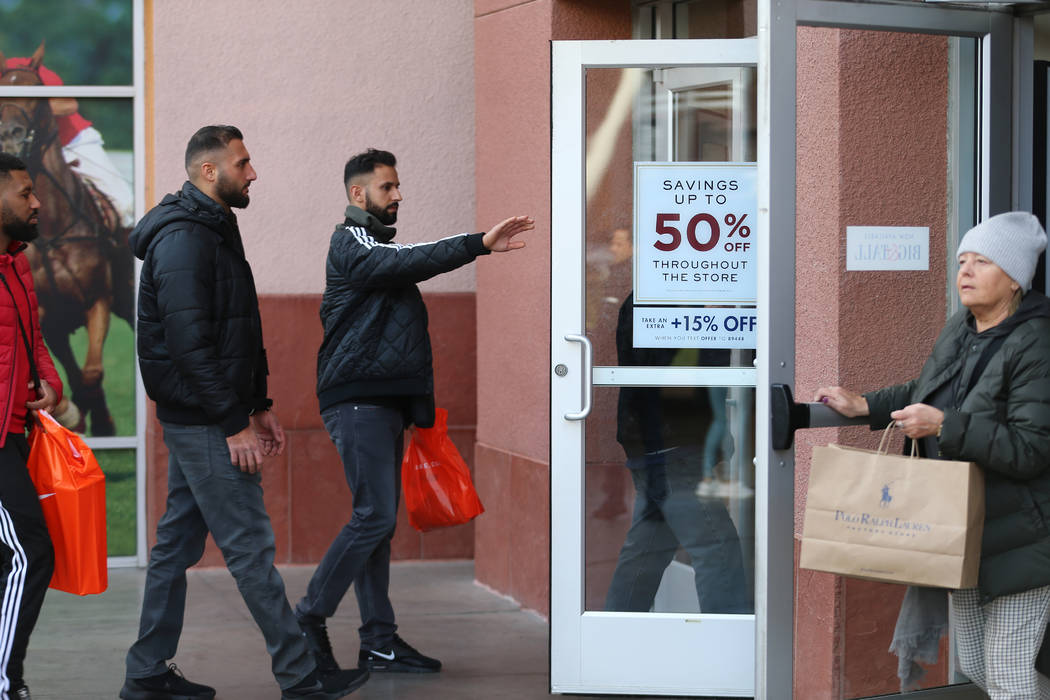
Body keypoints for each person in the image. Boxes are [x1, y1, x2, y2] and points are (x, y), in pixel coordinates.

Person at [120, 126, 368, 700]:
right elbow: (189, 343)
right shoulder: (185, 238)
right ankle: (302, 677)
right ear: (209, 171)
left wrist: (258, 406)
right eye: (243, 163)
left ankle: (146, 673)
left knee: (175, 548)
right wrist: (234, 423)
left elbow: (235, 328)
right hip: (205, 421)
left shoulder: (212, 228)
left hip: (209, 414)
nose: (253, 173)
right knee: (250, 548)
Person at [296, 148, 532, 676]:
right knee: (373, 516)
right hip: (357, 402)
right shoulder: (352, 241)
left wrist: (419, 410)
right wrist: (478, 245)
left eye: (398, 186)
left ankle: (379, 641)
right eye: (388, 187)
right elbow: (405, 260)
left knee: (376, 523)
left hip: (379, 404)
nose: (398, 195)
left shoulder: (377, 248)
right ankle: (308, 616)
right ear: (359, 195)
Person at [817, 211, 1050, 698]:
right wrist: (864, 406)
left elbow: (1032, 449)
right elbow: (927, 390)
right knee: (982, 668)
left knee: (1008, 675)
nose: (964, 271)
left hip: (1023, 538)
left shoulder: (1038, 342)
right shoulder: (962, 327)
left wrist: (946, 426)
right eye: (963, 259)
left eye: (982, 261)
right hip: (956, 529)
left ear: (1014, 280)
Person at [603, 292, 752, 614]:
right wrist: (722, 324)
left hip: (650, 441)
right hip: (676, 442)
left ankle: (614, 641)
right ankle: (728, 650)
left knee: (645, 553)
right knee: (717, 550)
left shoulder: (644, 295)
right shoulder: (672, 298)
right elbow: (696, 371)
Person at [0, 153, 62, 700]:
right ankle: (5, 682)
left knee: (12, 556)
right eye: (24, 193)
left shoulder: (17, 261)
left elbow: (30, 336)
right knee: (30, 550)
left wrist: (50, 384)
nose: (37, 202)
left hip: (14, 432)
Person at [2, 55, 135, 227]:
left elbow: (68, 105)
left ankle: (125, 251)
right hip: (23, 146)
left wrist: (34, 105)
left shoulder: (36, 72)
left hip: (73, 142)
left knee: (124, 203)